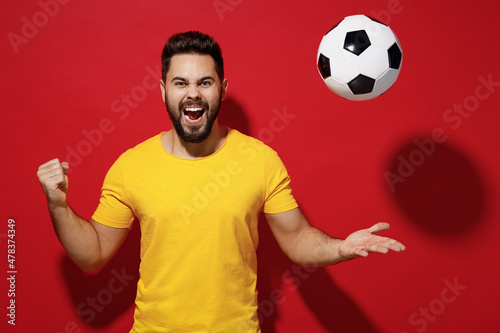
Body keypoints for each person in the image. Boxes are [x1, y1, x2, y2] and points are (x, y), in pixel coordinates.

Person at [37, 31, 406, 332]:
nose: (193, 93)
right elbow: (92, 254)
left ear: (222, 89)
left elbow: (295, 238)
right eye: (180, 82)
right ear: (163, 90)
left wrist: (341, 248)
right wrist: (58, 205)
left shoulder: (259, 160)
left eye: (205, 82)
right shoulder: (131, 166)